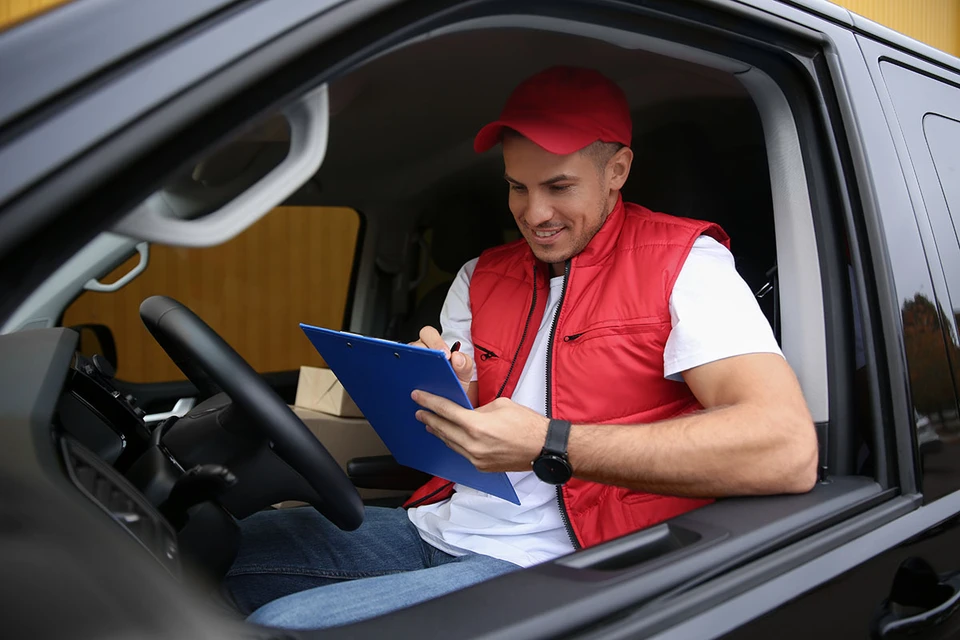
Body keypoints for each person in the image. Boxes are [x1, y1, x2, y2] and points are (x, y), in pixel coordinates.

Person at [223, 66, 818, 630]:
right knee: (213, 545)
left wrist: (550, 441)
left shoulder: (687, 264)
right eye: (516, 187)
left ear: (617, 169)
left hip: (562, 563)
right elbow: (467, 427)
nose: (534, 214)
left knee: (282, 627)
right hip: (437, 524)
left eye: (560, 187)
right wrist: (446, 388)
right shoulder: (479, 275)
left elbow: (784, 450)